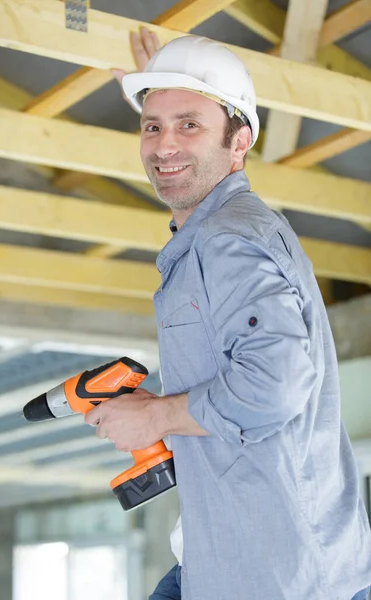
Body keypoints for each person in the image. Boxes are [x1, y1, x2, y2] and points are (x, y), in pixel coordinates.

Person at [85, 30, 371, 600]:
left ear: (240, 143)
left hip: (277, 578)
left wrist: (156, 418)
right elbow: (194, 152)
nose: (163, 144)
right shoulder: (224, 227)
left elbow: (276, 385)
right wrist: (169, 94)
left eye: (189, 124)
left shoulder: (227, 239)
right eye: (151, 126)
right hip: (228, 559)